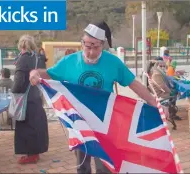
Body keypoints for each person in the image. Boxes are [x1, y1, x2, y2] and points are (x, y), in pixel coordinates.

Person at [28, 21, 156, 174]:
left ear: (102, 45)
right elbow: (47, 73)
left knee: (105, 165)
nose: (90, 52)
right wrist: (34, 73)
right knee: (82, 164)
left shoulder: (112, 62)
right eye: (87, 46)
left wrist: (153, 101)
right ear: (82, 43)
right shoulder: (69, 62)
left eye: (96, 47)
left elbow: (133, 84)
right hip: (79, 121)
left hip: (105, 121)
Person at [11, 35, 49, 164]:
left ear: (21, 46)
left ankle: (30, 155)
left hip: (26, 98)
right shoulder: (37, 58)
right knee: (36, 125)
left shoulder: (23, 59)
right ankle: (35, 153)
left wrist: (14, 93)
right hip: (36, 95)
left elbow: (19, 80)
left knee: (26, 127)